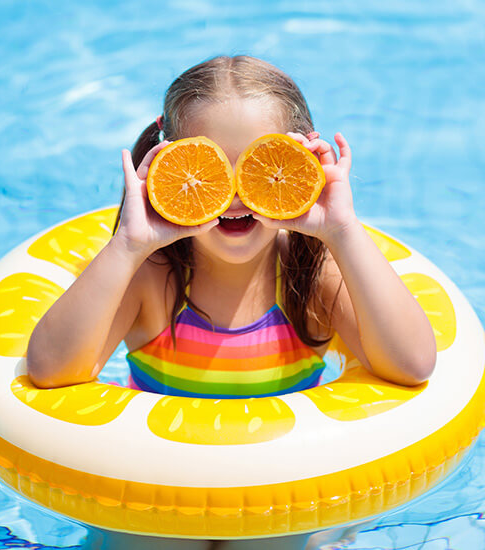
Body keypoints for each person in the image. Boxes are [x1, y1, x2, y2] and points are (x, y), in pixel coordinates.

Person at [26, 55, 436, 549]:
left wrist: (343, 231)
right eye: (209, 167)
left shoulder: (312, 276)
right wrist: (129, 245)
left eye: (261, 166)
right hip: (159, 494)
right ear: (169, 157)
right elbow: (51, 371)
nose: (236, 195)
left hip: (274, 497)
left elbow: (412, 364)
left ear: (304, 158)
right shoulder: (152, 277)